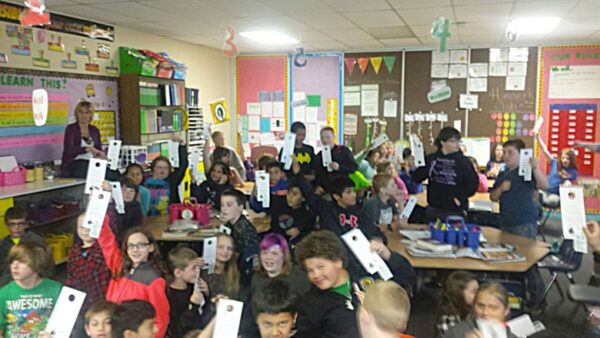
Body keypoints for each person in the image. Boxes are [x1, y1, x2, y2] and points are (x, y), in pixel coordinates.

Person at [490, 139, 547, 308]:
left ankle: (539, 300)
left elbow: (545, 185)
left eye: (510, 153)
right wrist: (501, 189)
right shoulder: (503, 173)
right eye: (504, 152)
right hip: (506, 222)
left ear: (521, 154)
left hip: (523, 222)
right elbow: (493, 196)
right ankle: (517, 296)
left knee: (528, 262)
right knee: (511, 261)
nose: (505, 155)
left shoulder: (527, 172)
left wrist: (535, 167)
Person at [97, 216, 169, 338]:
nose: (135, 250)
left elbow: (160, 320)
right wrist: (99, 207)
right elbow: (106, 240)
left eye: (141, 245)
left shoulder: (154, 281)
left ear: (151, 247)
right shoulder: (119, 267)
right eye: (131, 245)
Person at [411, 127, 479, 221]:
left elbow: (473, 184)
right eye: (453, 141)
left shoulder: (464, 162)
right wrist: (413, 166)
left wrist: (459, 198)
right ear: (443, 142)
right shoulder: (432, 159)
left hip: (455, 210)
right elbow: (417, 177)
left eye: (458, 141)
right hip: (434, 208)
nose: (457, 144)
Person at [0, 241, 62, 337]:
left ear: (37, 263)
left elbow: (65, 326)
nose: (14, 266)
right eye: (12, 261)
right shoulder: (4, 293)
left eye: (22, 262)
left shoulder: (56, 290)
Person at [66, 214, 112, 338]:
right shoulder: (74, 251)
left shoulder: (102, 249)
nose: (86, 231)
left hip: (101, 299)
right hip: (80, 303)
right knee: (79, 331)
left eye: (90, 226)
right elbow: (70, 277)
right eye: (82, 227)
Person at [443, 283, 518, 338]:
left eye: (493, 307)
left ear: (506, 310)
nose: (485, 312)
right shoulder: (455, 333)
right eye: (480, 306)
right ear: (473, 306)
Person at [220, 189, 260, 287]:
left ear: (240, 208)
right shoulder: (230, 223)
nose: (224, 209)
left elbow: (235, 257)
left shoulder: (241, 228)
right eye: (222, 205)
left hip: (245, 273)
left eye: (229, 205)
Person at [166, 246, 207, 337]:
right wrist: (193, 305)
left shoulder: (192, 287)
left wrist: (207, 292)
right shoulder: (169, 296)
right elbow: (178, 329)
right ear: (178, 273)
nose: (197, 271)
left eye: (198, 267)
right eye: (193, 268)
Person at [60, 101, 109, 178]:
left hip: (92, 162)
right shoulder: (71, 129)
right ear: (77, 114)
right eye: (81, 112)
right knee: (89, 170)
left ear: (91, 115)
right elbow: (69, 150)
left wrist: (101, 155)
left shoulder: (94, 130)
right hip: (75, 163)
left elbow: (98, 149)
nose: (84, 115)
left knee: (113, 173)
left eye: (87, 113)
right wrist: (87, 149)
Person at [0, 206, 43, 287]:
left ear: (26, 224)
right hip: (7, 285)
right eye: (12, 224)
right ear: (6, 225)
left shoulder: (36, 242)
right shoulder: (2, 245)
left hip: (31, 284)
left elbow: (46, 265)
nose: (16, 228)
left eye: (20, 224)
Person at [144, 139, 188, 216]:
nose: (162, 170)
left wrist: (182, 145)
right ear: (153, 168)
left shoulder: (172, 180)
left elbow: (183, 165)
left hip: (170, 216)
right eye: (159, 167)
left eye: (166, 168)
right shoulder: (145, 179)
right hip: (148, 218)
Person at [269, 176, 317, 246]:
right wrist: (285, 233)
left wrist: (299, 231)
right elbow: (274, 228)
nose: (290, 197)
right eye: (288, 193)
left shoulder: (308, 215)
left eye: (294, 194)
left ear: (303, 198)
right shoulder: (279, 205)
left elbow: (309, 234)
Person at [536, 133, 579, 205]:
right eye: (563, 158)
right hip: (545, 191)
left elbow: (569, 180)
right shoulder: (555, 163)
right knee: (536, 197)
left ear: (572, 160)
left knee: (552, 200)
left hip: (555, 194)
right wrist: (538, 138)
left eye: (568, 159)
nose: (565, 160)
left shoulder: (573, 172)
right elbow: (545, 151)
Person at [313, 127, 358, 195]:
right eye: (322, 137)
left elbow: (354, 167)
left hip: (342, 188)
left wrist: (339, 167)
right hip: (326, 189)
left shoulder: (343, 151)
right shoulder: (319, 155)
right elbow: (318, 173)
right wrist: (318, 186)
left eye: (328, 137)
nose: (325, 140)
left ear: (334, 136)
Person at [436, 271, 479, 335]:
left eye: (479, 290)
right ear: (459, 293)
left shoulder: (473, 312)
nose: (478, 295)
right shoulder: (447, 320)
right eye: (474, 291)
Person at [113, 177, 144, 244]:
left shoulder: (136, 207)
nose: (128, 193)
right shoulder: (111, 206)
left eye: (131, 191)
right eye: (124, 190)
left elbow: (137, 227)